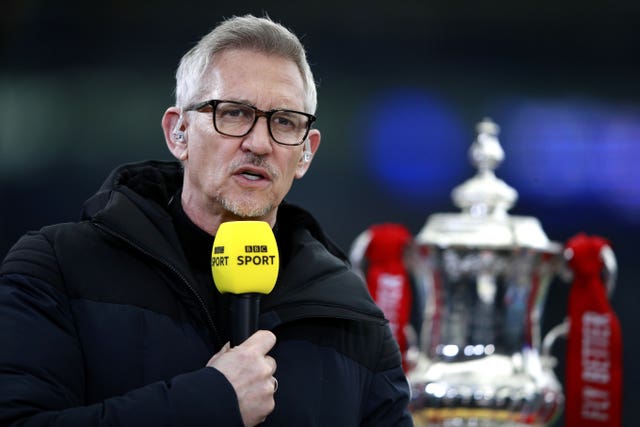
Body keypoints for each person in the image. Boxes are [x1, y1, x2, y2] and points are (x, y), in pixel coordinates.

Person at [0, 14, 412, 426]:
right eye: (233, 113)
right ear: (178, 132)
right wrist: (212, 401)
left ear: (306, 152)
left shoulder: (353, 317)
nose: (259, 143)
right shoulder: (55, 268)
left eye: (284, 122)